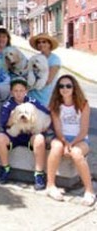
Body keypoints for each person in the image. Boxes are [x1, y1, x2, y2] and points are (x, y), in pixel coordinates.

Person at [46, 75, 95, 206]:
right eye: (61, 86)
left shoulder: (83, 104)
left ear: (74, 88)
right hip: (62, 137)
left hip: (79, 138)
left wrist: (71, 144)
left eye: (68, 86)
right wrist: (64, 142)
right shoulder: (56, 105)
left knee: (77, 153)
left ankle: (89, 191)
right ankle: (50, 185)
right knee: (56, 148)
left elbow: (84, 130)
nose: (65, 88)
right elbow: (58, 129)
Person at [0, 78, 49, 190]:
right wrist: (13, 117)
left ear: (26, 91)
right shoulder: (7, 105)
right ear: (11, 92)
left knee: (40, 139)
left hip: (30, 136)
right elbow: (5, 125)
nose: (19, 94)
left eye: (21, 90)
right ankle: (5, 169)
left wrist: (43, 127)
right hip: (13, 136)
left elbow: (46, 114)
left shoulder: (33, 102)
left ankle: (39, 174)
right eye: (16, 91)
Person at [28, 33, 61, 106]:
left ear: (49, 44)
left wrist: (30, 86)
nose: (41, 44)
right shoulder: (35, 58)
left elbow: (48, 80)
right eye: (39, 42)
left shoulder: (54, 59)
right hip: (31, 95)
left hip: (45, 97)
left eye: (44, 42)